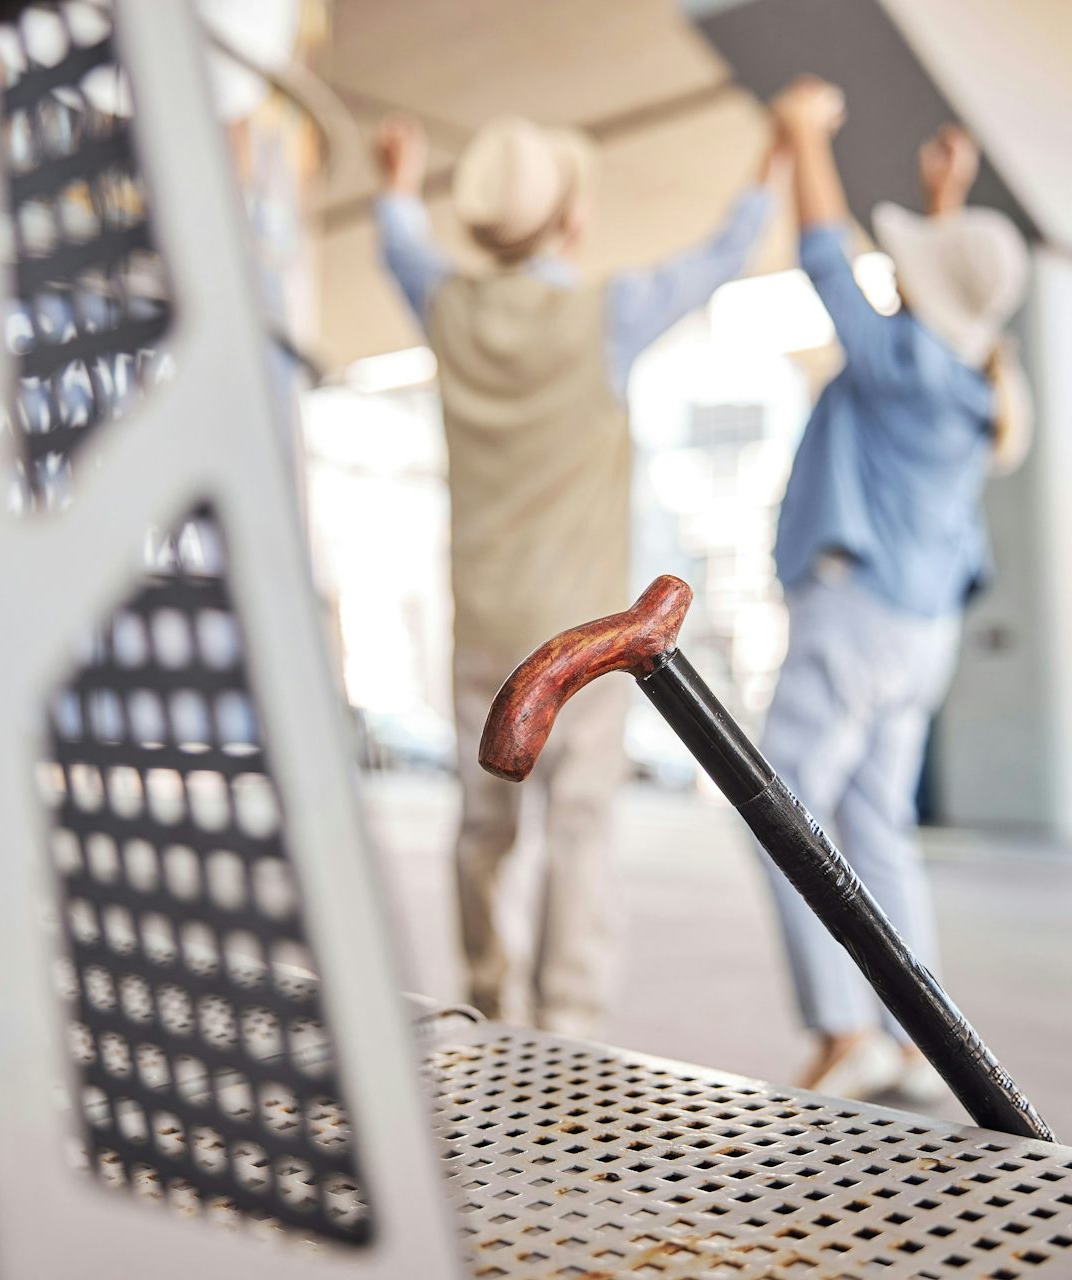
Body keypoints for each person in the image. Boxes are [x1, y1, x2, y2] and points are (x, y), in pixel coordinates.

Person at [372, 113, 779, 1036]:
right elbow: (725, 250)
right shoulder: (609, 313)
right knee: (581, 826)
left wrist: (398, 178)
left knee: (482, 828)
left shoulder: (444, 304)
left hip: (480, 620)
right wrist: (778, 153)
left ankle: (487, 999)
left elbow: (399, 238)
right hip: (586, 635)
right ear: (572, 222)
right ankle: (570, 1023)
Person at [761, 77, 1032, 1098]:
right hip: (922, 636)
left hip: (857, 615)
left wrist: (801, 136)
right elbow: (946, 297)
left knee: (781, 797)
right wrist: (945, 204)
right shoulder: (972, 381)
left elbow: (825, 255)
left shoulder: (901, 365)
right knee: (876, 820)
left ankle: (841, 1032)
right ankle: (918, 1037)